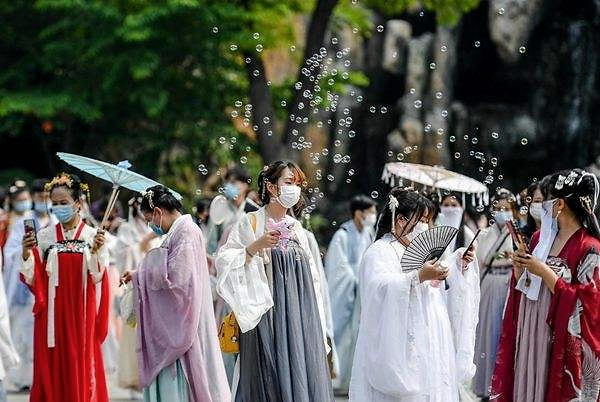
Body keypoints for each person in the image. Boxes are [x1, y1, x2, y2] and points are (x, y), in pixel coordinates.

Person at [215, 160, 334, 402]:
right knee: (267, 379)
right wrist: (255, 247)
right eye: (289, 183)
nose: (295, 189)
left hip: (297, 319)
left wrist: (318, 323)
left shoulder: (298, 229)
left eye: (297, 184)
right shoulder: (251, 222)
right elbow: (225, 261)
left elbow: (314, 282)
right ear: (271, 187)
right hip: (264, 318)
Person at [349, 187, 480, 402]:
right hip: (401, 346)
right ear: (400, 220)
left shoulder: (419, 251)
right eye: (423, 219)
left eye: (428, 220)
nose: (426, 226)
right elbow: (378, 290)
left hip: (431, 335)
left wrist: (459, 265)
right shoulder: (380, 251)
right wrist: (417, 277)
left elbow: (439, 283)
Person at [492, 169, 600, 402]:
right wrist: (521, 269)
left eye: (546, 199)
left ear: (559, 204)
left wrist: (544, 272)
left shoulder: (589, 247)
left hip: (557, 333)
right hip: (531, 326)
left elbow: (588, 304)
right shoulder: (539, 238)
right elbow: (526, 284)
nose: (542, 206)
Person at [122, 185, 230, 402]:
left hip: (182, 324)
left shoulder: (186, 233)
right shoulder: (180, 232)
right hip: (179, 320)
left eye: (149, 218)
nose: (150, 224)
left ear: (159, 212)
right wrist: (138, 274)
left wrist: (141, 274)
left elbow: (178, 282)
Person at [20, 173, 110, 402]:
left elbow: (99, 276)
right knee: (51, 368)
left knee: (81, 364)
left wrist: (98, 250)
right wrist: (26, 253)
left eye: (64, 203)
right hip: (52, 316)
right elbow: (33, 278)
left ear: (78, 204)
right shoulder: (45, 237)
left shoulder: (92, 236)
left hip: (81, 314)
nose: (59, 208)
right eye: (55, 204)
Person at [324, 194, 376, 394]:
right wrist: (355, 281)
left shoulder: (369, 233)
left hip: (364, 291)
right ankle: (337, 380)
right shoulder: (342, 235)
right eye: (370, 212)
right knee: (343, 334)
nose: (373, 216)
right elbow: (338, 267)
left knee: (359, 335)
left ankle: (353, 381)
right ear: (358, 213)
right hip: (349, 292)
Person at [471, 188, 516, 398]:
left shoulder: (518, 235)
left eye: (506, 208)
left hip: (509, 282)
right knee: (488, 333)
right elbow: (480, 260)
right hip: (489, 284)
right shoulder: (485, 234)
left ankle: (503, 385)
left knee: (504, 333)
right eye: (498, 208)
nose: (502, 212)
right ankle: (485, 385)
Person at [113, 197, 160, 395]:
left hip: (153, 288)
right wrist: (143, 243)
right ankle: (134, 380)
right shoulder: (126, 229)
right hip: (135, 287)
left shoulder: (158, 227)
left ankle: (149, 378)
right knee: (133, 334)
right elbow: (122, 254)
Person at [2, 181, 35, 390]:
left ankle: (31, 377)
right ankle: (18, 376)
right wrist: (22, 252)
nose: (24, 203)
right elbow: (8, 252)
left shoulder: (37, 220)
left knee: (32, 336)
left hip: (33, 283)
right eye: (19, 200)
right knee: (17, 335)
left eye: (26, 199)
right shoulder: (11, 222)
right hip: (15, 285)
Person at [206, 165, 260, 255]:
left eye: (233, 182)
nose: (229, 185)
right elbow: (212, 242)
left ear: (245, 185)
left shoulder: (254, 210)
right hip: (222, 261)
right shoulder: (220, 207)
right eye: (227, 182)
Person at [436, 193, 476, 260]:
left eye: (454, 205)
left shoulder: (468, 235)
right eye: (446, 205)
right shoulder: (433, 232)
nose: (450, 209)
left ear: (461, 208)